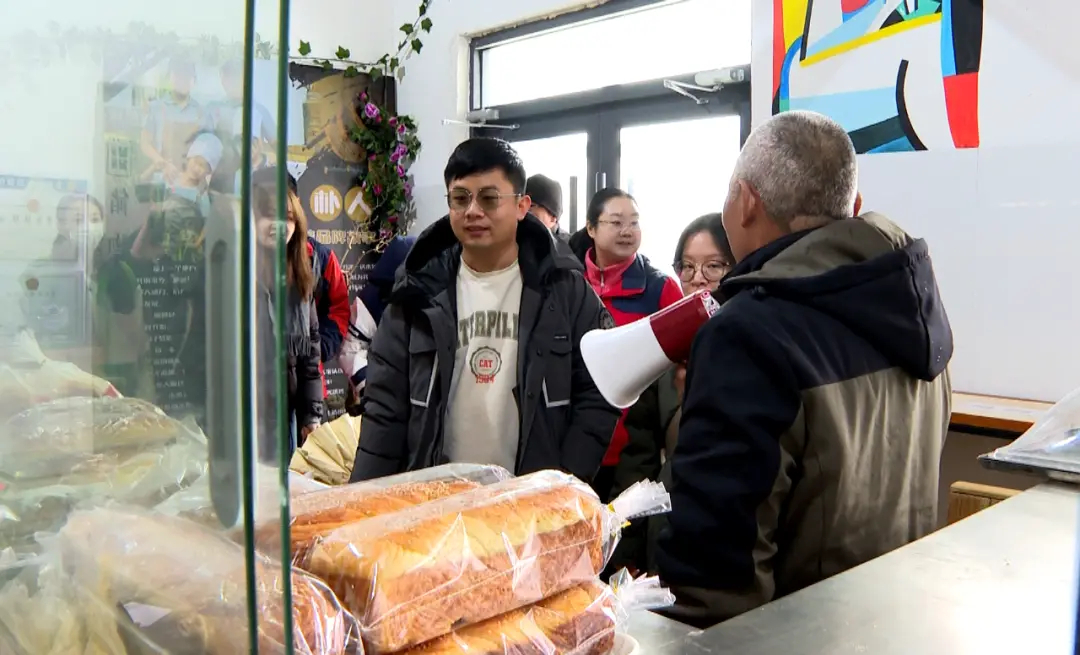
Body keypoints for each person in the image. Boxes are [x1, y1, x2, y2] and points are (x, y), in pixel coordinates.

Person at [656, 110, 953, 627]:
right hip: (893, 624)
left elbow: (715, 580)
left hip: (797, 636)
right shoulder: (915, 308)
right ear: (853, 207)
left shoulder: (749, 333)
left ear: (745, 202)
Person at [349, 137, 619, 482]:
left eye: (490, 198)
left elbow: (599, 387)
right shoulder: (417, 290)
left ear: (522, 206)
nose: (473, 211)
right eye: (460, 198)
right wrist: (362, 505)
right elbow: (385, 411)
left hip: (530, 506)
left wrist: (566, 479)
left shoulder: (564, 289)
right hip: (436, 504)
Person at [608, 213, 734, 576]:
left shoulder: (748, 351)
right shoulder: (661, 352)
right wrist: (624, 552)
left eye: (713, 266)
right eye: (688, 267)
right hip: (663, 531)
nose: (698, 279)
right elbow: (637, 463)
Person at [577, 187, 683, 500]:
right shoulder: (569, 283)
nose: (627, 231)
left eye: (634, 223)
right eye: (616, 222)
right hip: (574, 440)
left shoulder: (661, 289)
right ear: (591, 228)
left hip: (634, 447)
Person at [251, 168, 323, 460]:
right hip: (245, 417)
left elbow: (308, 353)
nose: (280, 225)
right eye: (269, 214)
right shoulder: (233, 272)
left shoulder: (300, 271)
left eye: (288, 217)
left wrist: (311, 415)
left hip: (286, 414)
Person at [140, 57, 204, 184]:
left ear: (194, 80)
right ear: (171, 77)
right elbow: (145, 143)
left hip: (191, 182)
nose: (183, 80)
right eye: (178, 75)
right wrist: (160, 161)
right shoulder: (156, 107)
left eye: (187, 77)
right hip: (162, 179)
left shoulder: (200, 112)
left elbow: (204, 150)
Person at [525, 174, 571, 244]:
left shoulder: (572, 248)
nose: (523, 212)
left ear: (552, 217)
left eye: (531, 206)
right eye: (520, 205)